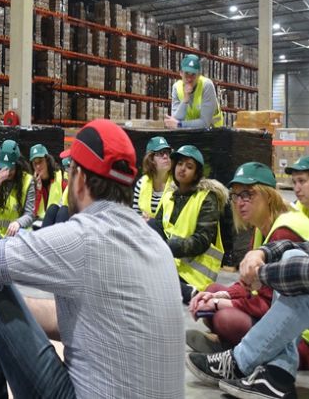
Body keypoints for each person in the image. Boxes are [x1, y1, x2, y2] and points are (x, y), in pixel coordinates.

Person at [0, 119, 184, 398]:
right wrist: (9, 313)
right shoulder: (157, 245)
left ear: (81, 180)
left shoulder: (85, 236)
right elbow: (79, 320)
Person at [187, 162, 309, 360]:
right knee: (210, 291)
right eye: (236, 195)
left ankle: (237, 351)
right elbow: (248, 284)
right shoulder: (261, 230)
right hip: (281, 315)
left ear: (268, 195)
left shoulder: (284, 230)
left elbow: (273, 305)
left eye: (248, 194)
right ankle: (230, 345)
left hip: (300, 336)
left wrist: (220, 304)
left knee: (224, 317)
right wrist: (222, 295)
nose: (240, 202)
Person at [186, 240, 309, 398]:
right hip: (290, 326)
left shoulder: (284, 226)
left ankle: (240, 360)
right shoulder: (266, 229)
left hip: (303, 344)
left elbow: (269, 297)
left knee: (225, 317)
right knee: (292, 255)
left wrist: (258, 274)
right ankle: (277, 376)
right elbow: (298, 248)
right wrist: (261, 252)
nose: (238, 213)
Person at [152, 144, 227, 304]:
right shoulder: (169, 196)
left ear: (196, 174)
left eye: (189, 166)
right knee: (150, 226)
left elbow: (201, 241)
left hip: (195, 275)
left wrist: (166, 247)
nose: (182, 169)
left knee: (148, 279)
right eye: (179, 164)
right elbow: (158, 227)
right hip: (170, 265)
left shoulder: (207, 198)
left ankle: (188, 292)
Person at [165, 54, 223, 129]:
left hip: (214, 132)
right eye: (186, 74)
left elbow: (205, 123)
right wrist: (185, 100)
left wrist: (180, 125)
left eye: (193, 75)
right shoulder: (176, 87)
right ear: (181, 73)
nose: (189, 79)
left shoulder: (207, 85)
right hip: (190, 132)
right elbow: (175, 120)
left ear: (199, 75)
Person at [132, 136, 172, 219]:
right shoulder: (141, 183)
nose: (165, 156)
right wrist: (141, 219)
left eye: (168, 152)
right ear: (151, 159)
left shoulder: (177, 183)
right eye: (161, 153)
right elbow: (135, 215)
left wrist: (152, 222)